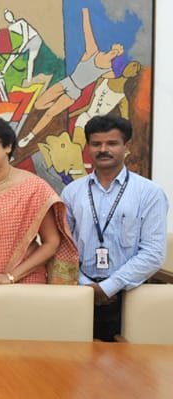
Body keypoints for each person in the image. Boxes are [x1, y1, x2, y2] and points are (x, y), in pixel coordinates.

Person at [0, 118, 79, 337]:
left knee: (19, 350)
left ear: (7, 146)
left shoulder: (34, 187)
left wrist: (11, 277)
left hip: (23, 280)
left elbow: (52, 242)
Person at [61, 115, 168, 342]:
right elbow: (65, 246)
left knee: (126, 370)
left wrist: (108, 287)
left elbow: (153, 252)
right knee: (75, 367)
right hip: (80, 293)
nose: (103, 149)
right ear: (88, 146)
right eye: (96, 143)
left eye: (112, 143)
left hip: (130, 296)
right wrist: (85, 286)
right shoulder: (72, 192)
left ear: (126, 147)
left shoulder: (149, 193)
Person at [20, 8, 123, 147]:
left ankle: (30, 136)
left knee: (50, 114)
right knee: (39, 104)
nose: (112, 54)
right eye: (112, 52)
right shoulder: (92, 52)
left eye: (114, 55)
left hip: (75, 92)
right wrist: (85, 13)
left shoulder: (106, 71)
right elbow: (87, 31)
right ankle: (52, 105)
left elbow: (121, 72)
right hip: (67, 82)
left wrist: (119, 54)